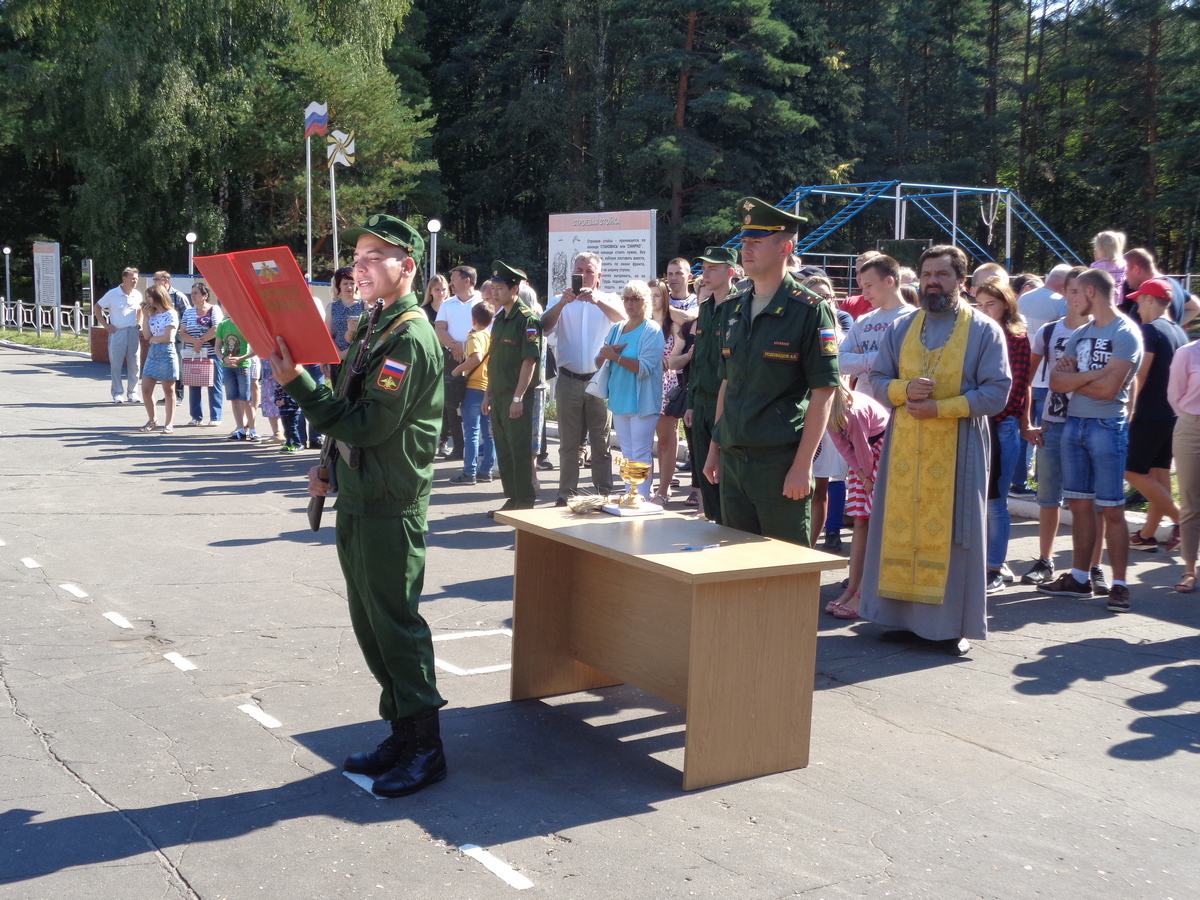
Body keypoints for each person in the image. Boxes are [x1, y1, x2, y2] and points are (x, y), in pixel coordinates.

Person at [269, 213, 447, 798]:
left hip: (390, 501)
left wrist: (297, 383)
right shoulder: (375, 326)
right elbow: (348, 406)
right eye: (357, 257)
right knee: (371, 623)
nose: (360, 267)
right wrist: (327, 468)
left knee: (396, 624)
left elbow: (369, 423)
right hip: (362, 493)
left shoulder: (409, 337)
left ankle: (426, 748)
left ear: (407, 267)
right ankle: (402, 734)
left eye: (375, 257)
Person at [858, 245, 1011, 656]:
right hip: (904, 447)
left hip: (958, 448)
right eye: (927, 274)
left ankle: (950, 626)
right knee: (900, 527)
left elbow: (997, 392)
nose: (932, 282)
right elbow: (878, 379)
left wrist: (940, 408)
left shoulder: (983, 330)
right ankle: (899, 618)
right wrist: (904, 390)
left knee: (956, 535)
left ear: (961, 281)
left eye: (942, 274)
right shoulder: (902, 327)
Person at [701, 197, 841, 547]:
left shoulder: (808, 310)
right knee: (735, 562)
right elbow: (728, 383)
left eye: (757, 241)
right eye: (745, 241)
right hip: (733, 460)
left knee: (785, 565)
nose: (746, 249)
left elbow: (824, 392)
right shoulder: (733, 308)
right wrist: (715, 448)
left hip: (779, 463)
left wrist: (802, 466)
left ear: (785, 248)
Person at [1039, 269, 1143, 613]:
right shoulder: (1081, 333)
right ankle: (1080, 579)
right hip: (1074, 424)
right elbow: (1056, 382)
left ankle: (1120, 585)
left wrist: (1078, 378)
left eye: (1075, 293)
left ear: (1090, 292)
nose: (1070, 299)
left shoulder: (1125, 333)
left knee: (1111, 508)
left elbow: (1110, 390)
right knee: (1080, 505)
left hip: (1106, 425)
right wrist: (1095, 374)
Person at [1019, 266, 1105, 589]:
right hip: (1054, 423)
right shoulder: (1049, 332)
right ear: (1064, 292)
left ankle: (1093, 566)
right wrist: (1026, 422)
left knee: (1093, 500)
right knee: (1048, 496)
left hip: (1092, 423)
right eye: (1073, 290)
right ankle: (1045, 559)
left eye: (1086, 291)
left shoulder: (1106, 331)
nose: (1079, 296)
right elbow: (1025, 380)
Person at [541, 252, 623, 505]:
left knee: (601, 440)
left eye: (589, 271)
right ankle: (566, 493)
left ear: (599, 276)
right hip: (569, 379)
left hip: (600, 379)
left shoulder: (609, 299)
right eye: (579, 271)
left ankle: (603, 492)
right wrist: (561, 304)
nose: (584, 276)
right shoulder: (560, 300)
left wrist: (597, 301)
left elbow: (623, 321)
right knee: (568, 441)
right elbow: (543, 328)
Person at [974, 278, 1031, 592]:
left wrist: (974, 404)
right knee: (974, 501)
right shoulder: (974, 333)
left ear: (1005, 304)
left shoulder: (1016, 337)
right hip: (974, 423)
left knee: (996, 502)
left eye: (990, 304)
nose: (984, 310)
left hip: (1000, 425)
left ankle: (994, 568)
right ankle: (983, 563)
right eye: (979, 304)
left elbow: (1013, 388)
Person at [1125, 278, 1187, 553]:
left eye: (1139, 301)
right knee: (1158, 474)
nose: (1137, 308)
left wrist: (1129, 409)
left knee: (1131, 470)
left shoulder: (1150, 331)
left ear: (1150, 300)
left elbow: (1140, 375)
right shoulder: (1178, 331)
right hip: (1172, 414)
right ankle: (1147, 535)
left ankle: (1183, 521)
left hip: (1148, 413)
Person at [823, 382, 890, 619]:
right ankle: (852, 588)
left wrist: (869, 478)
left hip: (882, 451)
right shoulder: (829, 412)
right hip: (863, 464)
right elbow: (844, 448)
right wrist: (863, 477)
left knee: (874, 521)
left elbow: (864, 450)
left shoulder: (854, 410)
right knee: (860, 520)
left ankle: (864, 592)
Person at [483, 261, 543, 517]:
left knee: (519, 450)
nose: (494, 293)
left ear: (514, 289)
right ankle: (513, 497)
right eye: (493, 288)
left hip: (515, 396)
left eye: (500, 288)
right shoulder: (500, 318)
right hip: (498, 395)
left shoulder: (527, 320)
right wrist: (487, 395)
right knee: (505, 450)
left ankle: (525, 500)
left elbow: (529, 362)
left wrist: (518, 398)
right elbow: (494, 360)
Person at [596, 281, 665, 500]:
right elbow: (599, 362)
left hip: (642, 401)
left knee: (640, 453)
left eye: (635, 299)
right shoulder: (617, 328)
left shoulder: (652, 330)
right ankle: (630, 496)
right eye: (626, 298)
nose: (629, 303)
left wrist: (615, 356)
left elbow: (644, 369)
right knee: (627, 453)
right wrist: (606, 353)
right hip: (619, 399)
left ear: (646, 302)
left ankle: (641, 499)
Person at [687, 247, 738, 523]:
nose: (705, 274)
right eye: (704, 268)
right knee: (704, 471)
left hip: (726, 403)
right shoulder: (706, 308)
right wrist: (691, 403)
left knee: (727, 473)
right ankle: (713, 522)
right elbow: (697, 361)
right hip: (702, 403)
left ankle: (727, 525)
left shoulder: (740, 306)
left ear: (730, 272)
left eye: (713, 268)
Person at [1010, 264, 1070, 496]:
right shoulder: (1061, 303)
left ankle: (1018, 482)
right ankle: (1044, 483)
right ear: (1064, 285)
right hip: (1047, 381)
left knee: (1022, 432)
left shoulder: (1023, 299)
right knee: (1047, 435)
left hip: (1023, 378)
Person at [838, 254, 913, 386]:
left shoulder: (914, 318)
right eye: (863, 286)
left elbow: (906, 360)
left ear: (889, 281)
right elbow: (839, 361)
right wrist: (880, 358)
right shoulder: (862, 321)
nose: (864, 293)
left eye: (869, 285)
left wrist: (859, 360)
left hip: (897, 397)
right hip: (863, 397)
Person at [435, 265, 483, 459]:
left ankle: (478, 448)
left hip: (477, 359)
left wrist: (465, 347)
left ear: (467, 281)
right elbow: (439, 328)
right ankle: (458, 447)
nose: (451, 283)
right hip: (452, 358)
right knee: (452, 403)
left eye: (454, 279)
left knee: (475, 401)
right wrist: (455, 347)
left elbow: (488, 329)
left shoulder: (482, 301)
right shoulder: (447, 304)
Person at [448, 301, 496, 484]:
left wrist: (457, 370)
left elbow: (476, 358)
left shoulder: (474, 337)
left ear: (473, 319)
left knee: (471, 432)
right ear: (491, 320)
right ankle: (486, 471)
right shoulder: (491, 337)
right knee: (488, 433)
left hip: (473, 387)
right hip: (488, 388)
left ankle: (469, 472)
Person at [1167, 335, 1200, 593]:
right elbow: (1174, 396)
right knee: (1190, 498)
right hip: (1191, 427)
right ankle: (1190, 569)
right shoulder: (1187, 353)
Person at [136, 284, 181, 433]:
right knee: (146, 389)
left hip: (166, 352)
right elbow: (147, 336)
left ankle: (169, 423)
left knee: (168, 390)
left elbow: (168, 337)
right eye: (146, 297)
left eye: (149, 297)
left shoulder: (170, 313)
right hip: (153, 353)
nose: (147, 300)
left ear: (158, 296)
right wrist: (145, 317)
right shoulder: (152, 314)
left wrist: (153, 339)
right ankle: (152, 419)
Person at [96, 267, 143, 403]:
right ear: (124, 279)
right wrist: (106, 325)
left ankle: (133, 393)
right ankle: (117, 393)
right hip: (118, 332)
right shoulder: (113, 294)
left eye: (136, 279)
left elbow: (140, 310)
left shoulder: (137, 294)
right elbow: (97, 307)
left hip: (133, 332)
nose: (135, 281)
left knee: (135, 364)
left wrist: (139, 322)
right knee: (116, 364)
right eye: (132, 278)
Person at [181, 280, 225, 427]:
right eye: (192, 293)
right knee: (194, 384)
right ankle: (196, 417)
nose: (193, 296)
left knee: (214, 385)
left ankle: (215, 416)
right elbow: (182, 332)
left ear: (205, 295)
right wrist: (194, 342)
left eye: (196, 293)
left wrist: (200, 341)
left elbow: (216, 328)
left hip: (212, 353)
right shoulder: (188, 312)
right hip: (194, 354)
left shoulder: (214, 309)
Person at [1123, 248, 1199, 326]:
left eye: (1124, 272)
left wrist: (1169, 327)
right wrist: (1174, 326)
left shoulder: (1150, 294)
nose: (1124, 278)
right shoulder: (1172, 284)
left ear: (1136, 269)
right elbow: (1196, 307)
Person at [215, 314, 260, 442]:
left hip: (243, 366)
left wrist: (241, 358)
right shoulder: (223, 325)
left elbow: (256, 349)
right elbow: (217, 347)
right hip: (227, 367)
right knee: (234, 399)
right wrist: (224, 358)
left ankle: (252, 430)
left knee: (246, 399)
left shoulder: (246, 325)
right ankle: (240, 430)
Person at [152, 271, 191, 404]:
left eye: (157, 279)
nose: (154, 282)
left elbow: (188, 316)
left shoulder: (178, 296)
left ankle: (178, 395)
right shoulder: (156, 297)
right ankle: (168, 395)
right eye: (154, 279)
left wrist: (181, 330)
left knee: (177, 365)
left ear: (166, 281)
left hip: (177, 336)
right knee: (166, 366)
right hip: (161, 337)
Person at [327, 266, 366, 386]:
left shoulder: (365, 305)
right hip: (336, 360)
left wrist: (347, 353)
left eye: (352, 283)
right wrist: (337, 355)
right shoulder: (332, 306)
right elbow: (328, 335)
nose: (349, 287)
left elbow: (367, 334)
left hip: (357, 359)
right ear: (339, 285)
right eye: (345, 283)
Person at [840, 250, 881, 320]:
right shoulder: (850, 302)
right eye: (857, 272)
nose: (859, 277)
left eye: (864, 272)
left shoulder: (887, 305)